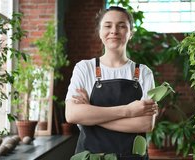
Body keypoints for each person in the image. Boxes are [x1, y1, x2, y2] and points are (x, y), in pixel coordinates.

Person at [65, 6, 157, 160]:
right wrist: (128, 111)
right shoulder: (84, 68)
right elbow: (72, 114)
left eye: (121, 26)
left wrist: (91, 116)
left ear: (130, 33)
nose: (114, 31)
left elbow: (146, 123)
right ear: (100, 32)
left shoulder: (143, 72)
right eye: (108, 26)